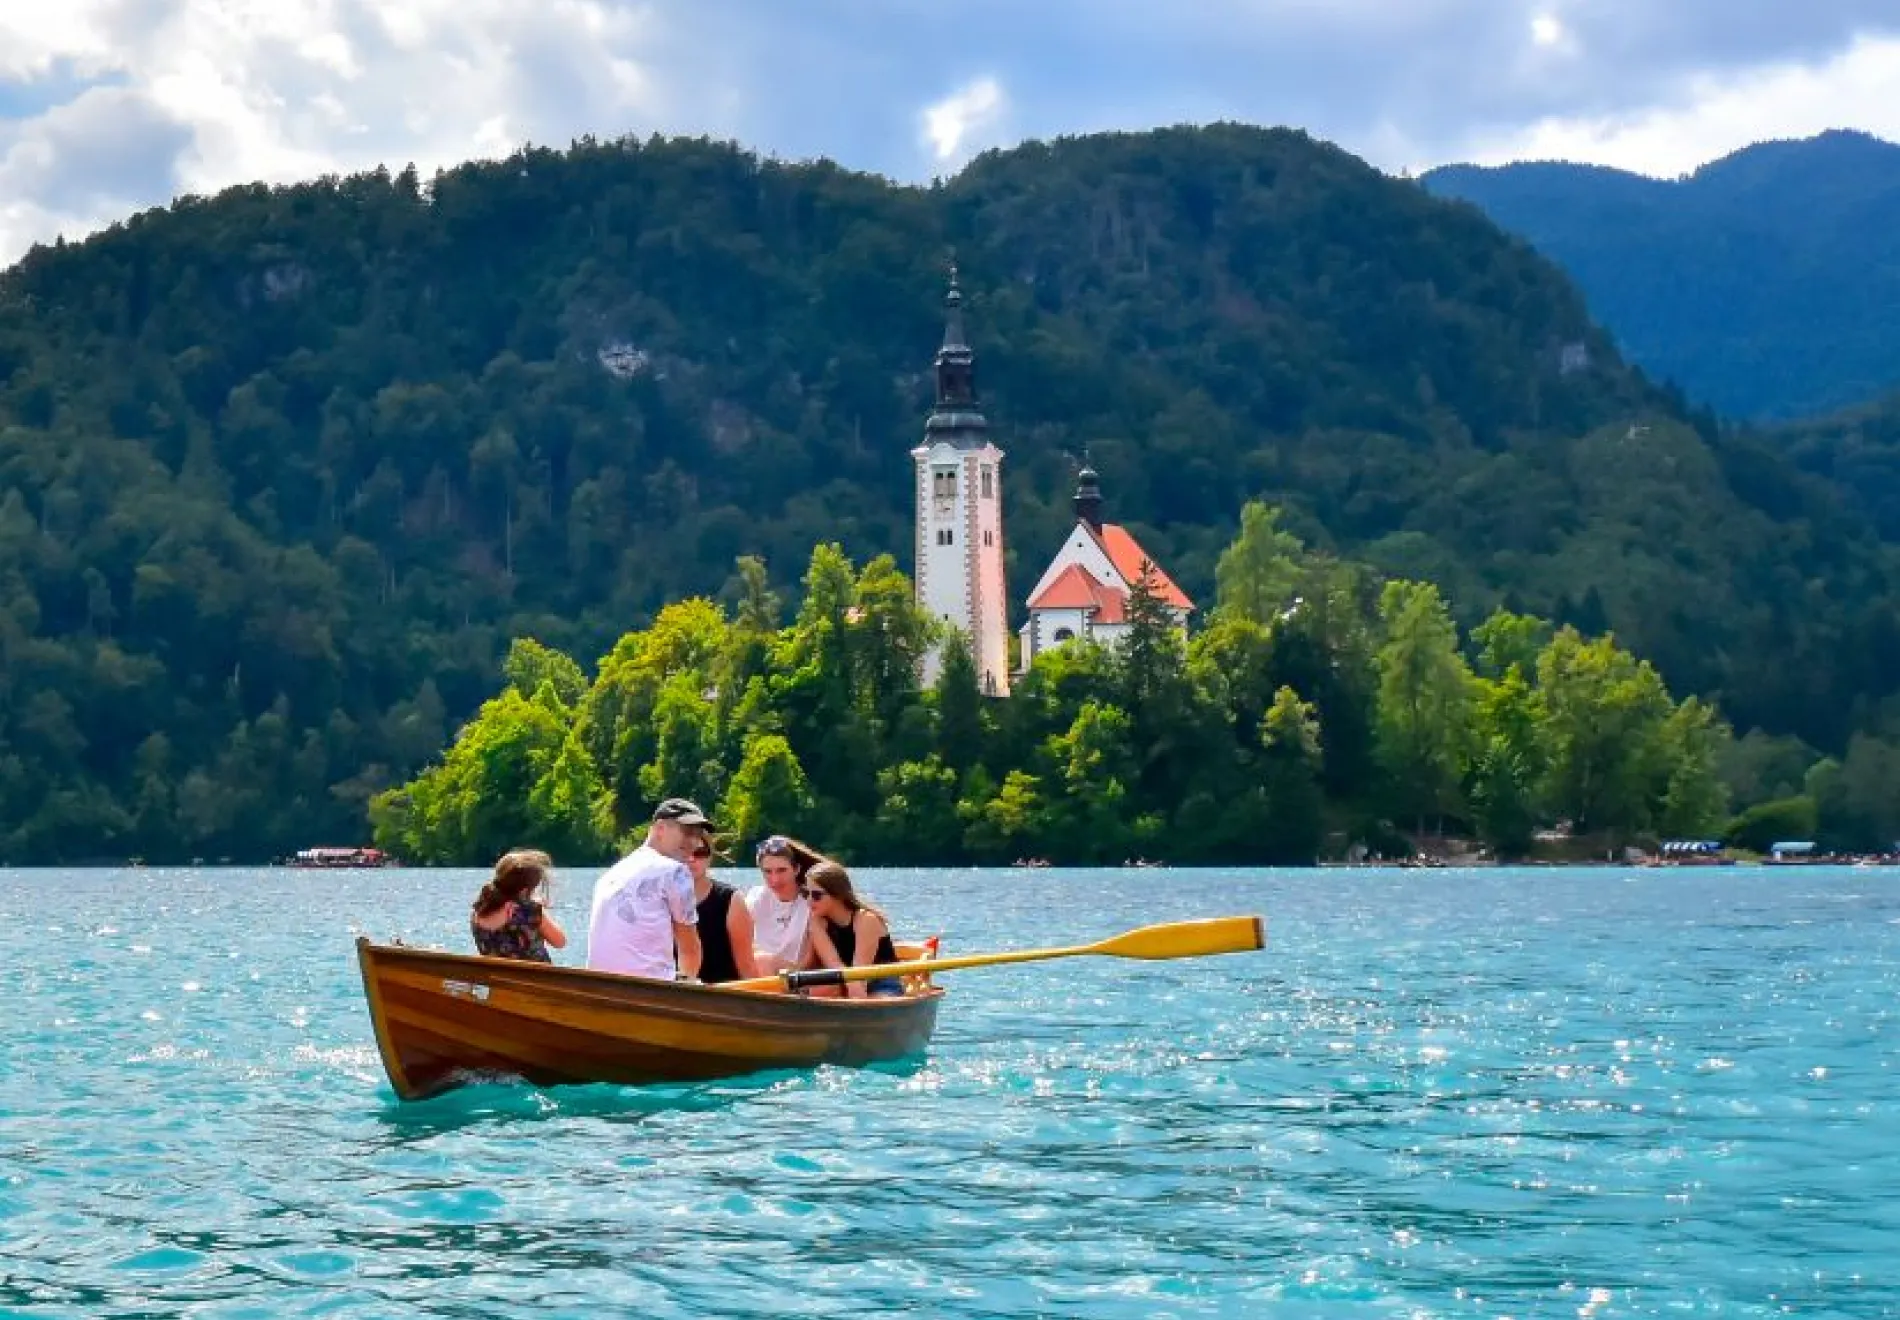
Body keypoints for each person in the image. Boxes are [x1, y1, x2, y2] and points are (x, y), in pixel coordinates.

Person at [586, 798, 707, 981]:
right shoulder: (675, 871)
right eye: (688, 832)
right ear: (660, 828)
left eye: (698, 835)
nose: (696, 843)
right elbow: (690, 950)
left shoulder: (610, 875)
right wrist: (688, 990)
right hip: (649, 991)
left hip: (598, 987)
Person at [802, 861, 904, 998]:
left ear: (837, 895)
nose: (809, 900)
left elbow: (859, 972)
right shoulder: (817, 922)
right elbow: (834, 964)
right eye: (806, 893)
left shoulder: (866, 919)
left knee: (864, 992)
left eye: (816, 895)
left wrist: (857, 1006)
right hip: (844, 979)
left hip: (881, 981)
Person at [746, 835, 824, 975]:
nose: (774, 880)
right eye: (767, 872)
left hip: (798, 974)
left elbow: (809, 960)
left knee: (763, 961)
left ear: (796, 869)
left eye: (782, 870)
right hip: (760, 971)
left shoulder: (812, 900)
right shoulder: (755, 898)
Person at [471, 848, 567, 962]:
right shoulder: (529, 911)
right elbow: (560, 942)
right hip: (535, 979)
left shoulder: (479, 912)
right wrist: (538, 909)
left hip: (495, 979)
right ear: (524, 890)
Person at [686, 834, 758, 985]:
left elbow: (746, 967)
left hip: (723, 996)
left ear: (710, 857)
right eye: (684, 852)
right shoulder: (660, 899)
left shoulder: (730, 900)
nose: (691, 858)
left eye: (699, 853)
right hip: (673, 994)